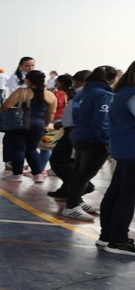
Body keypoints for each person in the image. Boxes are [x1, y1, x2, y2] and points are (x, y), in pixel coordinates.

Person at [60, 66, 117, 220]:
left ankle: (76, 201)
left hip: (80, 136)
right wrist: (106, 142)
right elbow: (102, 122)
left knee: (78, 171)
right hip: (94, 140)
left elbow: (76, 115)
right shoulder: (104, 95)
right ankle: (72, 206)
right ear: (111, 79)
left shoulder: (83, 92)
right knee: (84, 174)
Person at [0, 70, 57, 183]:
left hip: (19, 124)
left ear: (27, 80)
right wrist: (46, 125)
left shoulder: (22, 92)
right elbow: (51, 113)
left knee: (18, 149)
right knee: (32, 150)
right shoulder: (50, 95)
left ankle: (17, 174)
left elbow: (5, 106)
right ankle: (38, 175)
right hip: (38, 125)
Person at [98, 60, 135, 255]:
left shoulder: (122, 92)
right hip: (132, 150)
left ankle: (107, 235)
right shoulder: (132, 94)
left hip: (123, 149)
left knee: (116, 192)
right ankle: (118, 240)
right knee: (127, 196)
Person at [48, 70, 93, 199]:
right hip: (71, 128)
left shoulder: (84, 94)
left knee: (58, 160)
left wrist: (68, 125)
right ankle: (66, 189)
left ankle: (83, 185)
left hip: (74, 130)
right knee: (69, 160)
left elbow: (78, 114)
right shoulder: (81, 93)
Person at [3, 57, 37, 170]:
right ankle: (9, 161)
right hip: (18, 109)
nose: (30, 68)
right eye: (27, 65)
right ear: (20, 66)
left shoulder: (36, 78)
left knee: (26, 140)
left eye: (32, 65)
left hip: (31, 110)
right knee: (11, 137)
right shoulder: (15, 78)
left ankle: (19, 162)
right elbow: (15, 94)